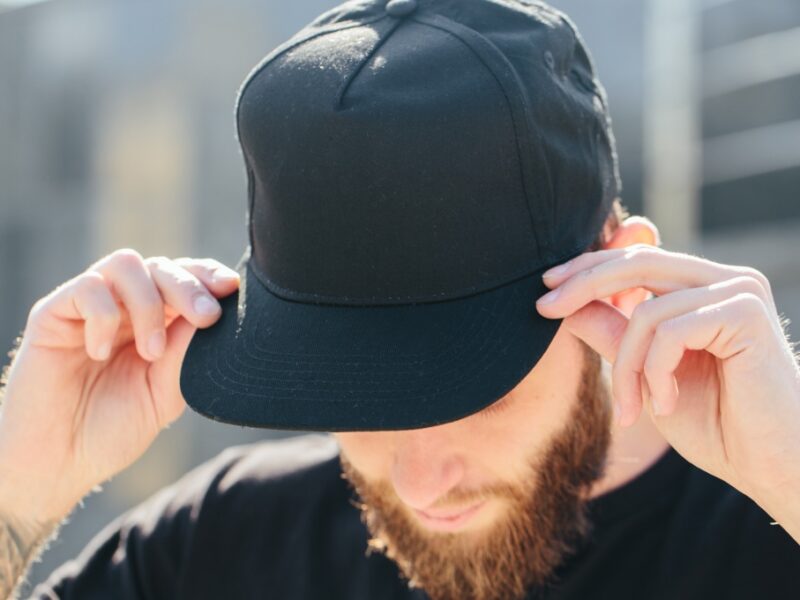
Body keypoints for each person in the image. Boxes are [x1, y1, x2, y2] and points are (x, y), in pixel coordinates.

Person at [1, 0, 799, 599]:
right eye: (360, 395)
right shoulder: (222, 546)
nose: (421, 482)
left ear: (620, 280)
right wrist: (21, 490)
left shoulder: (770, 529)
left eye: (474, 387)